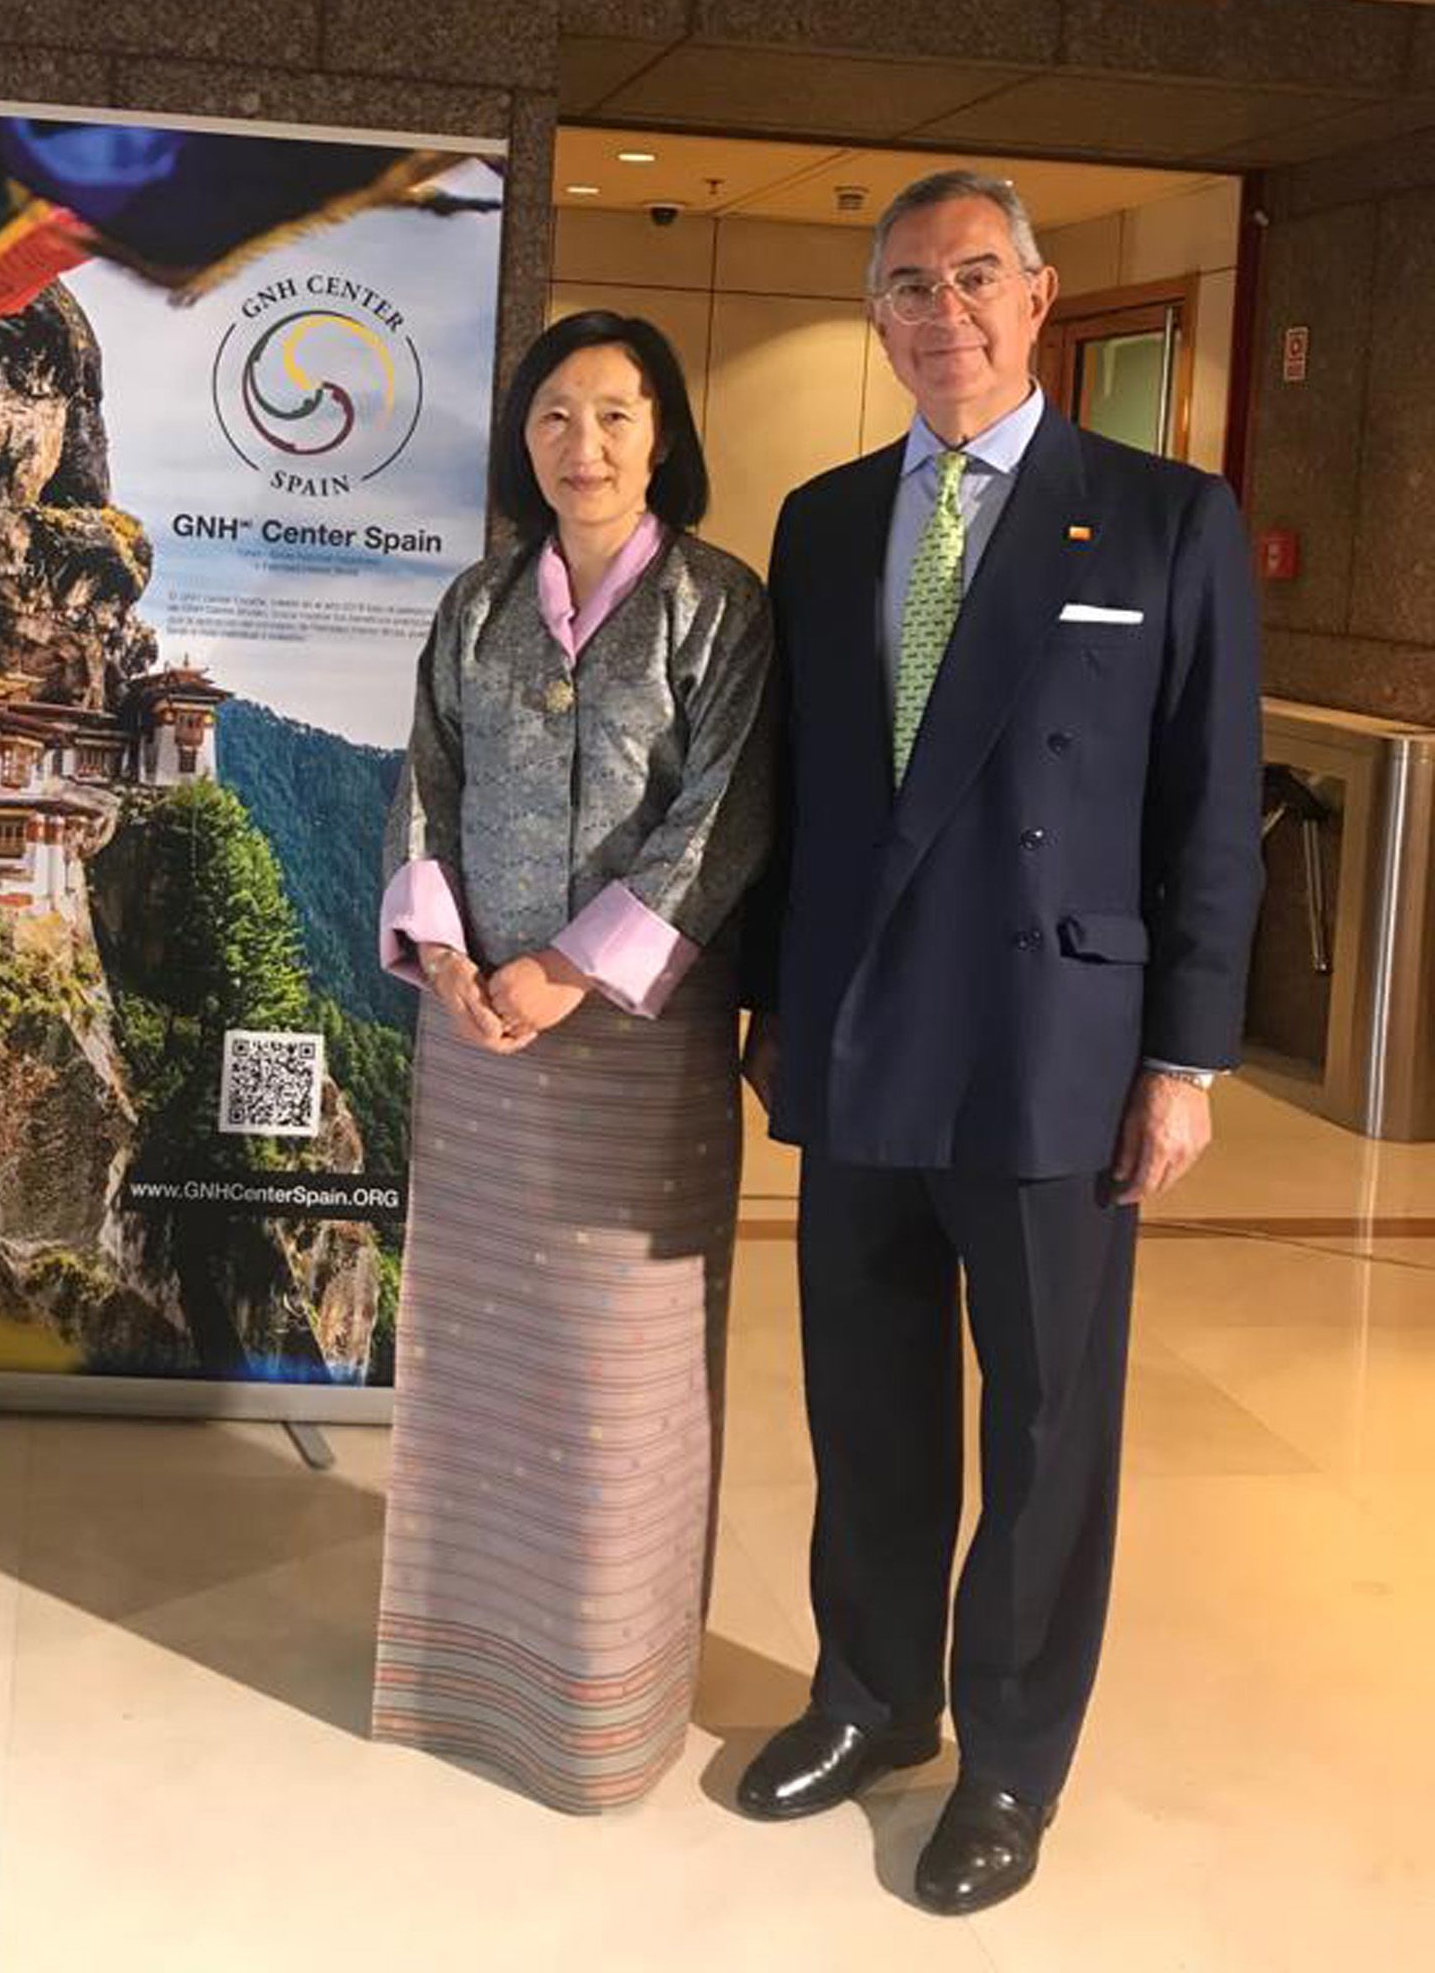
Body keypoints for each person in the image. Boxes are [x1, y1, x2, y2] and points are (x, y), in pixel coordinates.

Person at [737, 169, 1262, 1912]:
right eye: (908, 285)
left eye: (974, 277)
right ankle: (873, 1699)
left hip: (1058, 1043)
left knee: (1046, 1427)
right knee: (867, 1397)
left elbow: (1208, 810)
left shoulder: (1165, 518)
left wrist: (1184, 1060)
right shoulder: (823, 521)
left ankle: (1013, 1760)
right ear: (877, 317)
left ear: (1037, 298)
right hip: (861, 1026)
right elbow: (797, 795)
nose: (941, 311)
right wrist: (768, 1001)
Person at [372, 309, 771, 1813]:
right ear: (520, 438)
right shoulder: (478, 601)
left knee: (620, 1376)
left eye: (615, 414)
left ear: (664, 434)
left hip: (639, 1045)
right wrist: (450, 957)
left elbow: (726, 816)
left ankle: (601, 1711)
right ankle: (458, 1677)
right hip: (476, 1030)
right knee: (478, 1359)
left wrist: (570, 968)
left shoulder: (720, 607)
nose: (582, 445)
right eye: (554, 416)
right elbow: (426, 779)